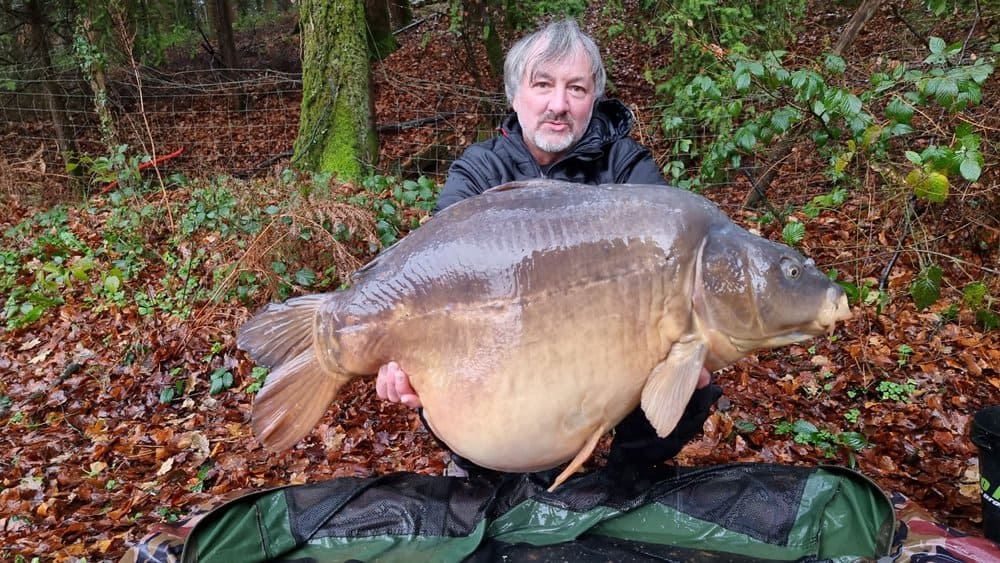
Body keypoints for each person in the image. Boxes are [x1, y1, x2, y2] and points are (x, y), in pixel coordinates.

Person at [377, 18, 722, 481]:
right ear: (514, 94)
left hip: (604, 356)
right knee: (429, 362)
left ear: (593, 99)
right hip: (504, 353)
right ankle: (487, 466)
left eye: (576, 89)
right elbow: (433, 278)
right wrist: (398, 354)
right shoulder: (480, 171)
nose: (559, 105)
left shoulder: (626, 167)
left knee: (691, 366)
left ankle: (619, 480)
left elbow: (674, 258)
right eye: (543, 85)